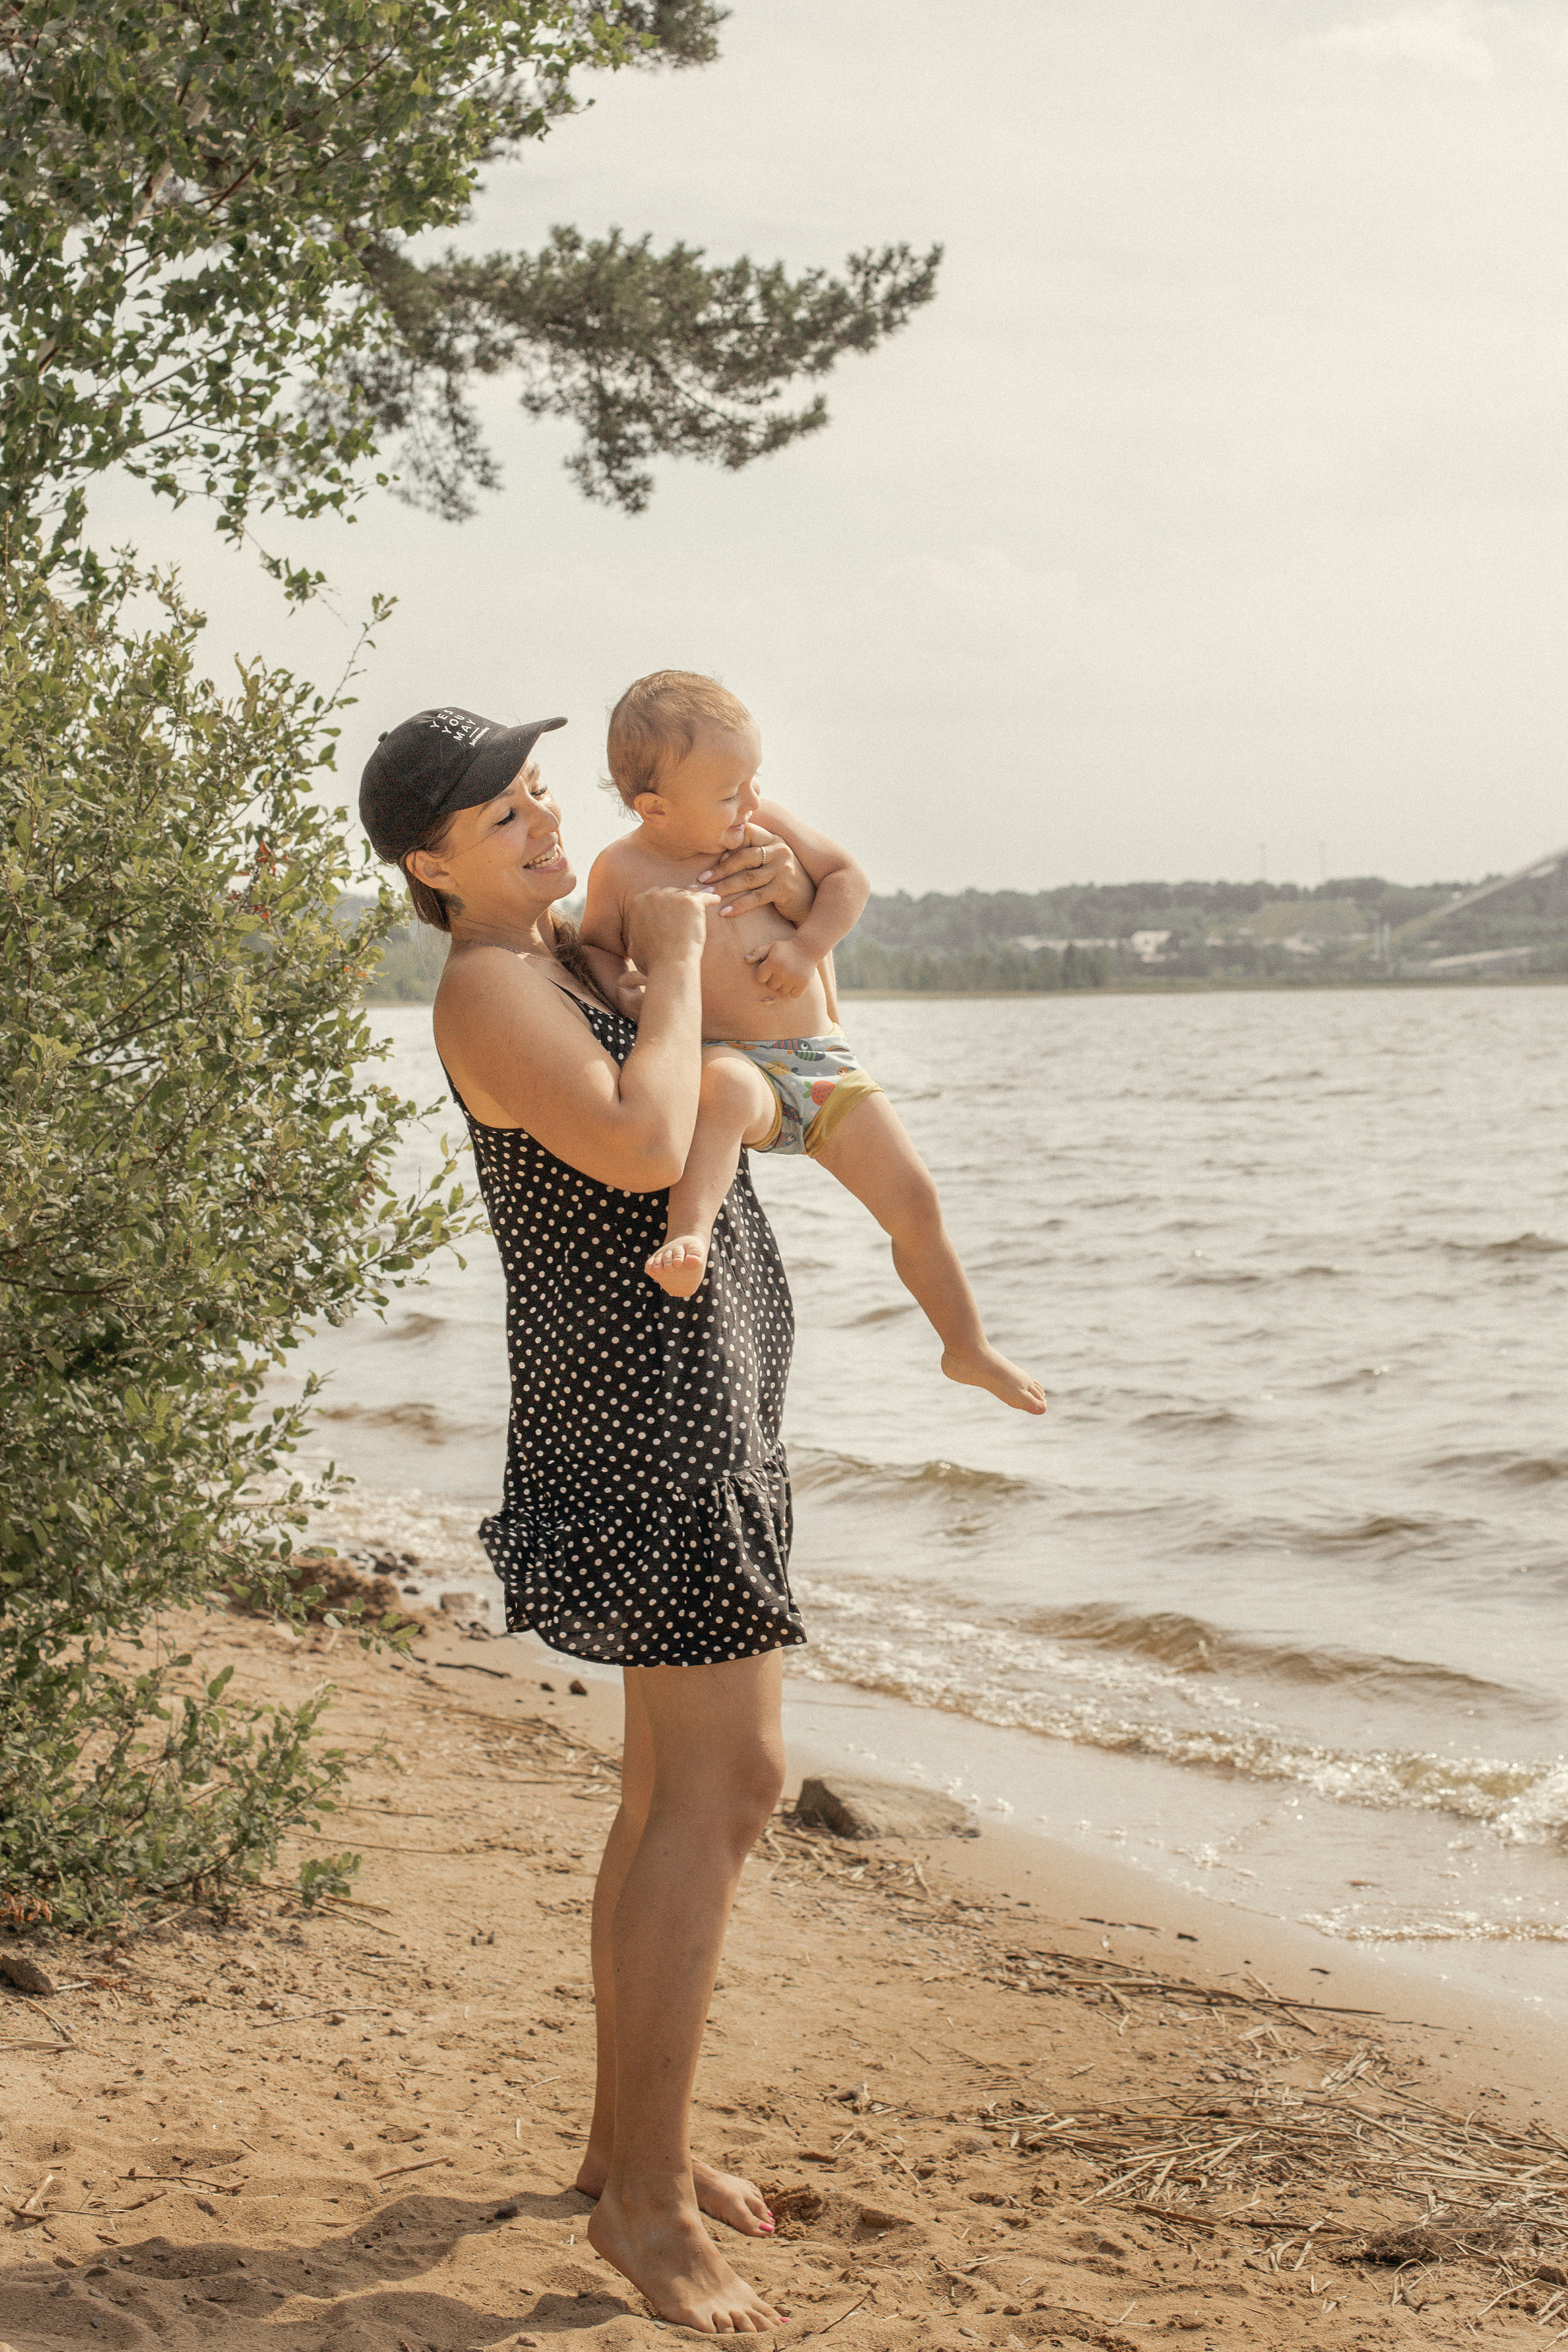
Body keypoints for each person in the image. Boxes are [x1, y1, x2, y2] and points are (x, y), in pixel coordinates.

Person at [359, 703, 815, 2334]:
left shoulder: (562, 949)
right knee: (729, 1785)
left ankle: (631, 2148)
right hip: (649, 1423)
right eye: (503, 821)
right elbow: (635, 1142)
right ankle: (640, 2204)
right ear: (431, 865)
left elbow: (771, 1024)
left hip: (684, 1400)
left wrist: (738, 882)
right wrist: (680, 967)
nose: (543, 829)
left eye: (539, 797)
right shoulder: (490, 987)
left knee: (663, 1798)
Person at [581, 670, 1048, 1416]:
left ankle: (967, 1346)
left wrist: (806, 950)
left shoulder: (765, 827)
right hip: (736, 1064)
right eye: (730, 792)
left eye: (754, 779)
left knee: (916, 1199)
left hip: (822, 1063)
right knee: (725, 1087)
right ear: (655, 808)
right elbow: (599, 950)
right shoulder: (621, 869)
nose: (752, 801)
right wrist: (626, 991)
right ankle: (689, 1236)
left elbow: (849, 880)